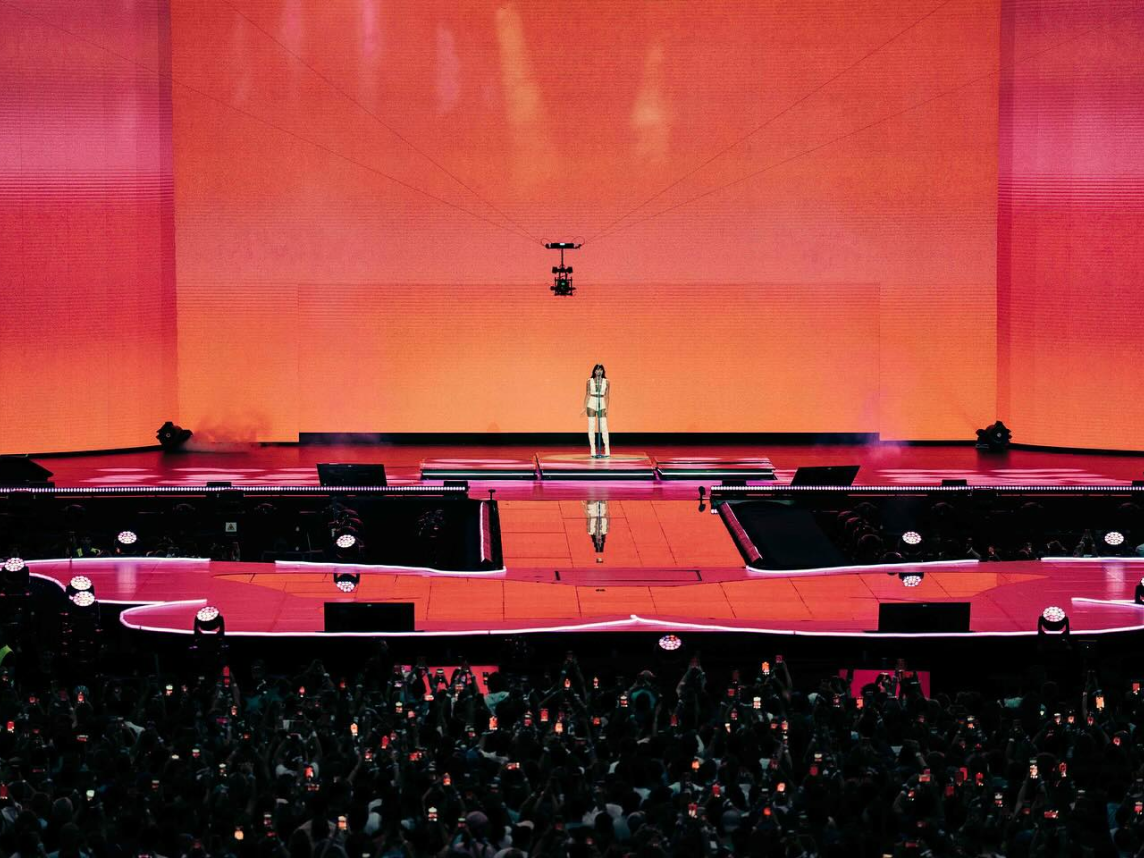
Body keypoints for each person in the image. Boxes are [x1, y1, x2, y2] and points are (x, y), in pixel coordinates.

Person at [583, 364, 610, 458]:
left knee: (604, 426)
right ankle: (593, 449)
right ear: (594, 371)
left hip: (601, 402)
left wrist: (607, 408)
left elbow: (607, 396)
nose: (599, 371)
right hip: (591, 402)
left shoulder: (607, 381)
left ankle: (607, 449)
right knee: (591, 426)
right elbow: (587, 394)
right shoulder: (589, 381)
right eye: (598, 369)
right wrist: (584, 407)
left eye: (601, 370)